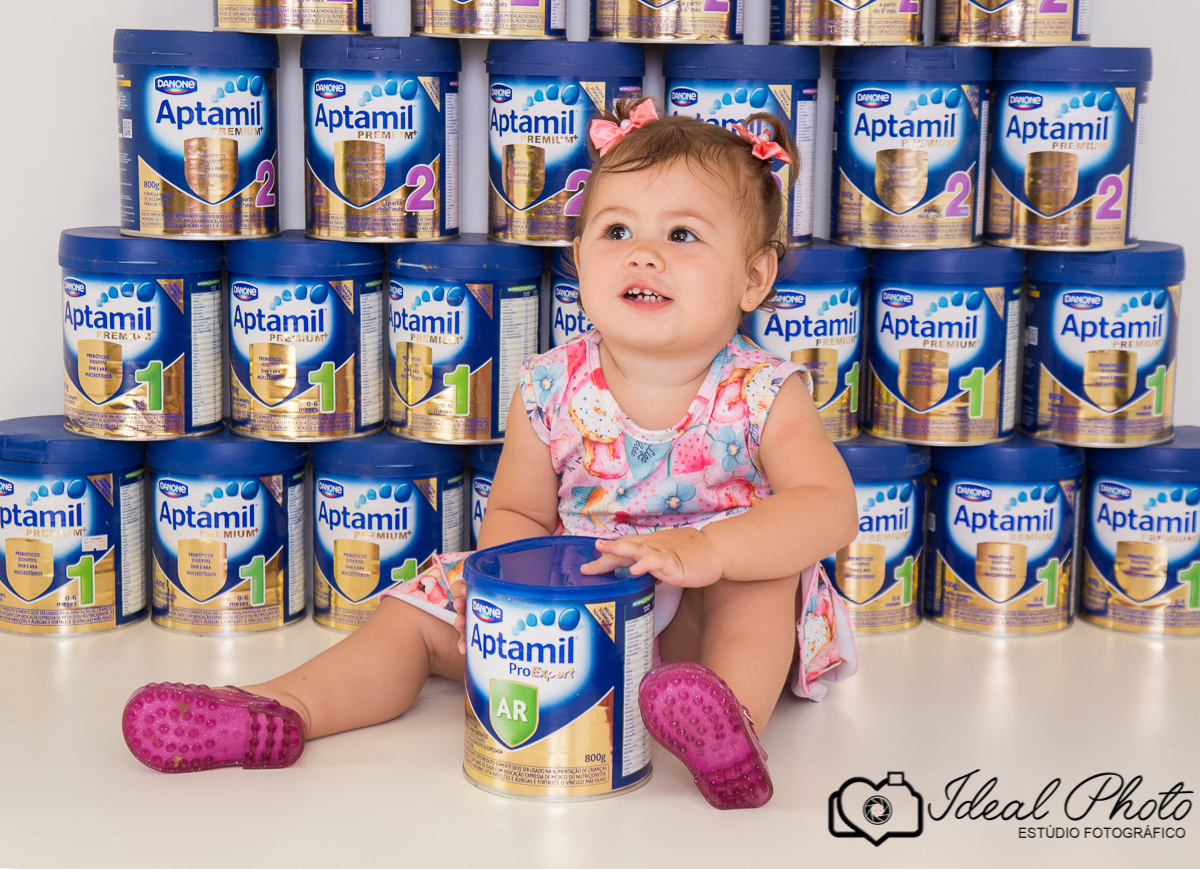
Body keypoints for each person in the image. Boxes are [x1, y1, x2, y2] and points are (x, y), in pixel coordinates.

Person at [120, 98, 860, 810]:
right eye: (615, 232)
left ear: (754, 277)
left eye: (682, 236)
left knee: (763, 581)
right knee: (414, 610)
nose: (643, 254)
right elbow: (516, 507)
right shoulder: (550, 383)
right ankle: (281, 709)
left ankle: (729, 733)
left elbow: (828, 508)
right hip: (572, 603)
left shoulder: (762, 390)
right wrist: (508, 594)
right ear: (577, 258)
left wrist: (707, 549)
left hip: (699, 605)